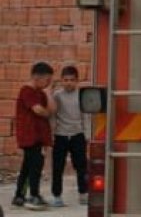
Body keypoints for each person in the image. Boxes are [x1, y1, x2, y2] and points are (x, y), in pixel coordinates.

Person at [13, 61, 55, 211]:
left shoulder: (41, 93)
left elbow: (52, 110)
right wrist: (47, 111)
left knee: (27, 166)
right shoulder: (27, 91)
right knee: (35, 167)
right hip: (29, 135)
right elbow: (39, 110)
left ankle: (19, 195)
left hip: (39, 136)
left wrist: (48, 94)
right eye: (47, 80)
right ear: (37, 77)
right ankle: (33, 195)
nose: (49, 83)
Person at [50, 65, 90, 207]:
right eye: (66, 80)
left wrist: (87, 135)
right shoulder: (57, 95)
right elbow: (53, 115)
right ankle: (57, 196)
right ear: (61, 80)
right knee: (57, 167)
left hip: (77, 135)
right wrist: (52, 133)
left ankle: (83, 194)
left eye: (72, 80)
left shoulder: (81, 95)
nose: (68, 82)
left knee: (81, 166)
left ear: (77, 81)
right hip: (60, 135)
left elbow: (85, 116)